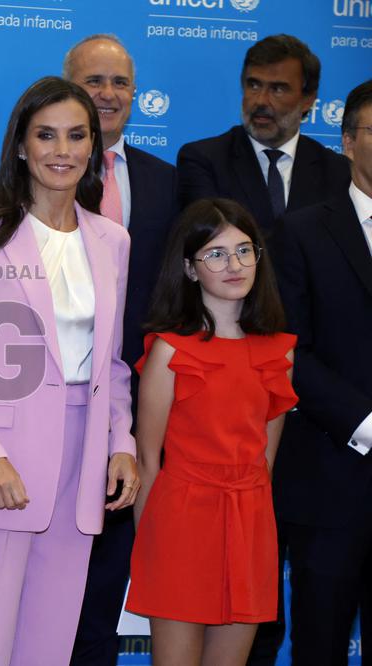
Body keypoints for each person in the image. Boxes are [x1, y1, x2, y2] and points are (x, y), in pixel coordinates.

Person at [0, 76, 138, 666]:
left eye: (76, 136)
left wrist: (121, 443)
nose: (62, 150)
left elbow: (112, 363)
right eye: (46, 135)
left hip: (82, 465)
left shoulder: (112, 239)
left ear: (94, 147)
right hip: (2, 462)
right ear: (20, 145)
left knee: (47, 647)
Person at [126, 198, 296, 666]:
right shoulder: (170, 351)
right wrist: (151, 547)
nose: (234, 264)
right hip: (180, 525)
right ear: (191, 268)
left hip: (250, 525)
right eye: (216, 254)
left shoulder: (278, 352)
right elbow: (147, 459)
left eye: (245, 251)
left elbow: (266, 460)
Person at [62, 34, 179, 666]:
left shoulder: (166, 180)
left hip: (136, 390)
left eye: (119, 83)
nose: (107, 95)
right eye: (93, 81)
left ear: (135, 94)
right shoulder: (43, 176)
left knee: (110, 546)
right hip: (56, 391)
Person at [268, 79, 372, 665]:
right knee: (320, 645)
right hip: (331, 475)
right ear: (349, 141)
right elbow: (288, 349)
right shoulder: (302, 230)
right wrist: (365, 422)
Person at [177, 34, 350, 236]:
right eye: (254, 85)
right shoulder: (204, 160)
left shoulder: (337, 171)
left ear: (307, 100)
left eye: (277, 89)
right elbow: (210, 240)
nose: (260, 101)